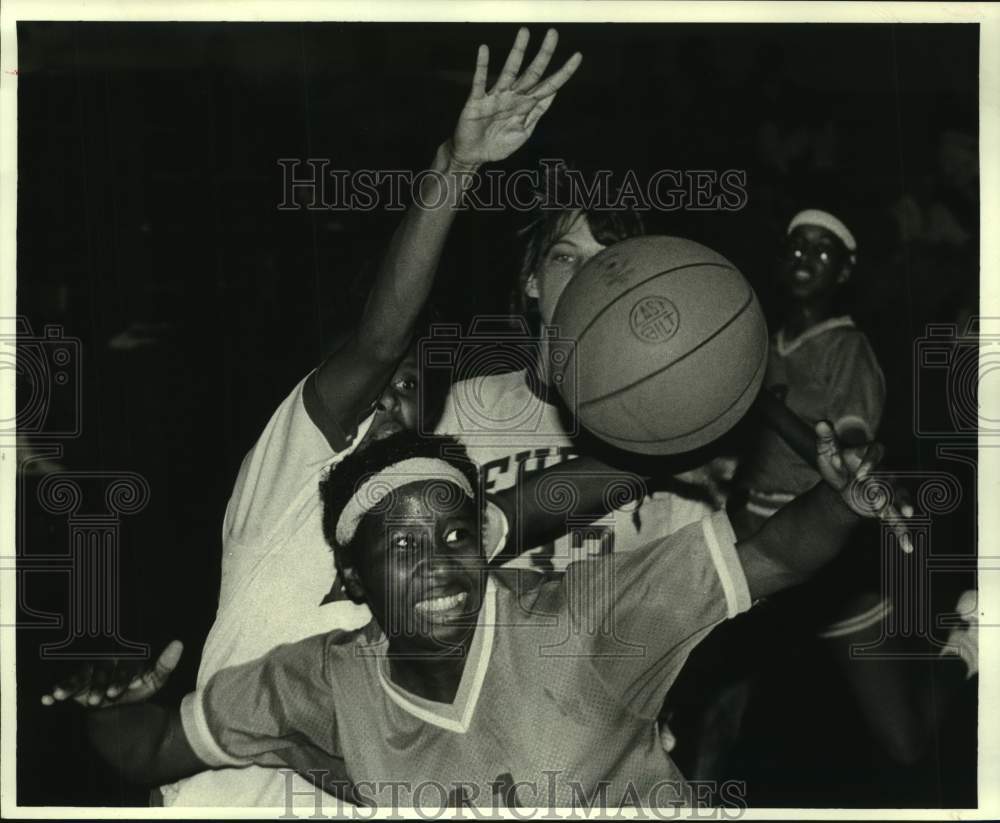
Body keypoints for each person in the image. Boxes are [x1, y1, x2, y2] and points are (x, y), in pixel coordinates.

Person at [88, 28, 580, 807]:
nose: (391, 392)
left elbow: (553, 505)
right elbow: (382, 338)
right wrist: (456, 166)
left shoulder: (438, 524)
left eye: (413, 384)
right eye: (376, 382)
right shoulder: (291, 480)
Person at [44, 423, 910, 810]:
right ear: (351, 577)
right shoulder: (320, 682)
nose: (441, 561)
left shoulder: (583, 623)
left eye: (457, 532)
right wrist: (102, 707)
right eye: (404, 544)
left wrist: (841, 502)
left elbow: (771, 556)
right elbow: (154, 747)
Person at [435, 182, 716, 579]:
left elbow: (692, 594)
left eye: (609, 263)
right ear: (532, 279)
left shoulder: (667, 426)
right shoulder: (460, 408)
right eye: (566, 257)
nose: (587, 277)